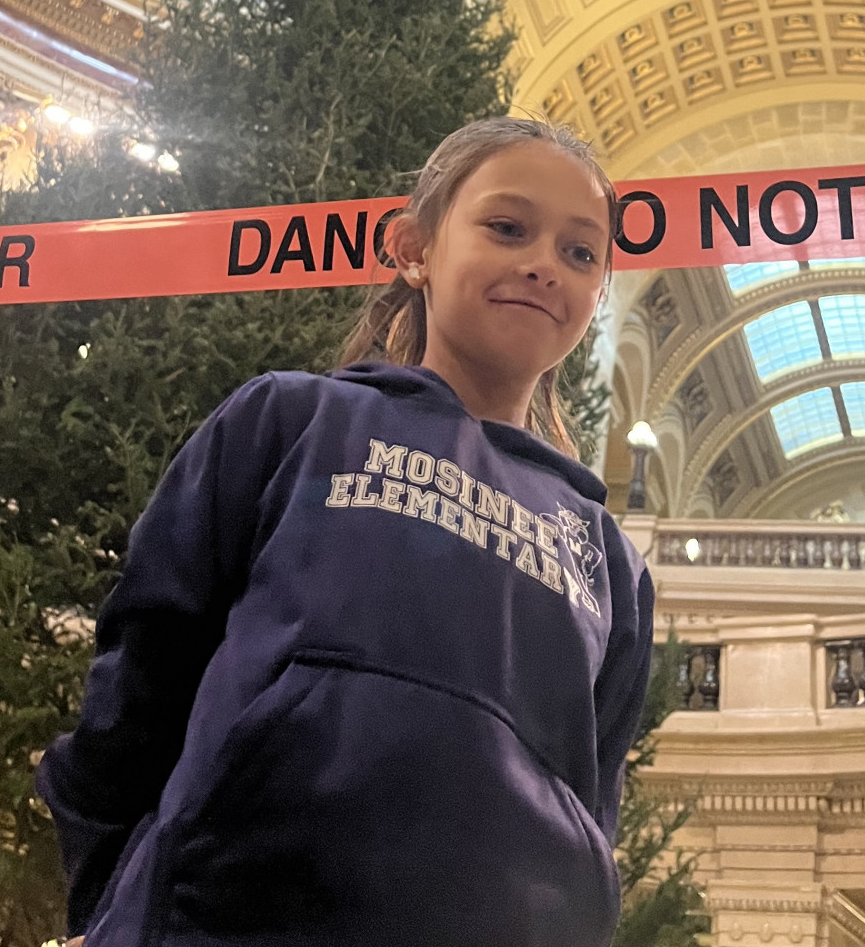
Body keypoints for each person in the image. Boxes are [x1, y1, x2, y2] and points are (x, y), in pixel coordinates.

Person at [37, 116, 656, 947]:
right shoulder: (291, 419)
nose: (545, 263)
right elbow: (143, 667)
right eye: (508, 228)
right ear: (414, 249)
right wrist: (116, 896)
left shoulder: (608, 560)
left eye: (581, 252)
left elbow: (590, 794)